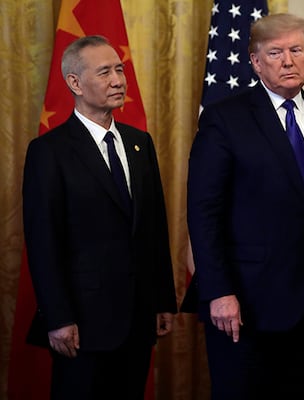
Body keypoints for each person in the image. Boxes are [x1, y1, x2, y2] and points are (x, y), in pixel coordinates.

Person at [185, 13, 304, 400]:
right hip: (245, 307)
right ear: (255, 60)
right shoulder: (224, 119)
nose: (288, 60)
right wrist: (218, 291)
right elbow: (204, 211)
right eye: (276, 52)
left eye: (296, 50)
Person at [22, 35, 177, 400]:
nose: (118, 80)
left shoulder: (141, 143)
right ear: (74, 83)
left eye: (119, 69)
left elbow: (154, 228)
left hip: (138, 319)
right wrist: (58, 317)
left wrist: (162, 300)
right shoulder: (49, 151)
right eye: (104, 72)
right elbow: (43, 241)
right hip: (82, 323)